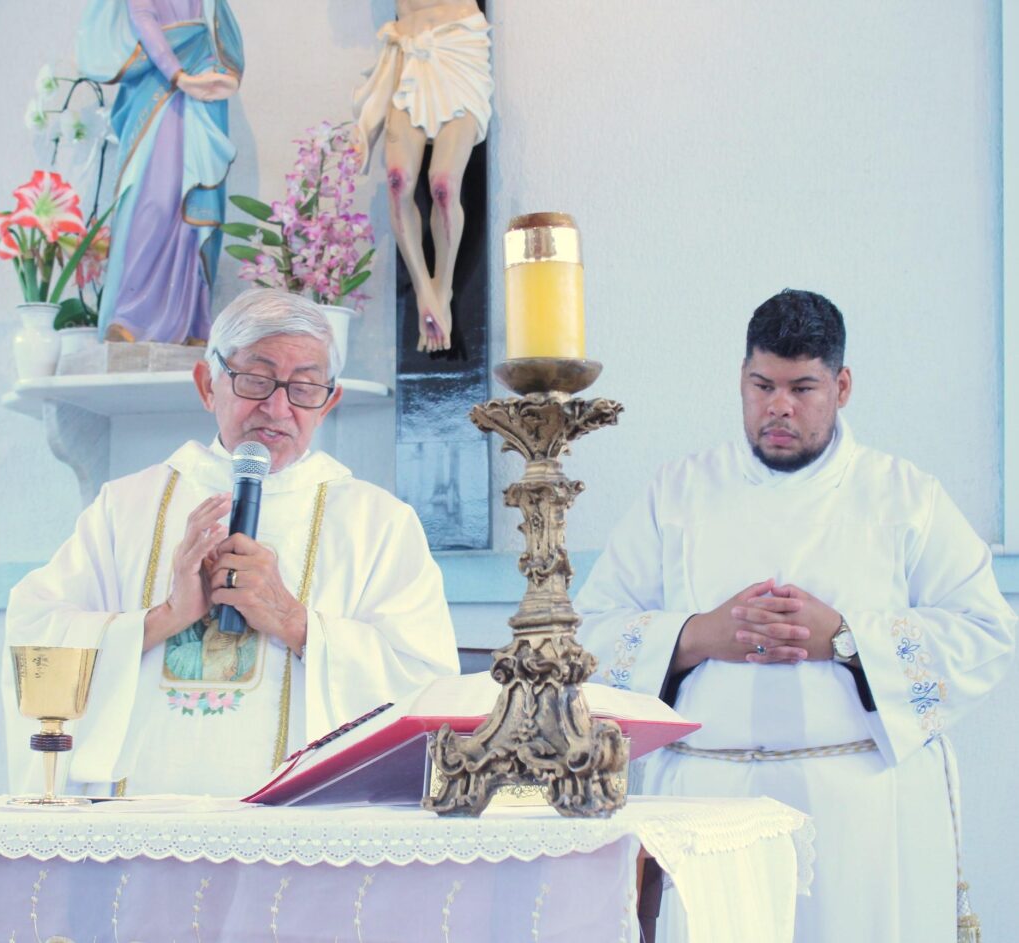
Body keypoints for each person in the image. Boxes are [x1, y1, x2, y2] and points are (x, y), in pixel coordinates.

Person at [576, 289, 1016, 941]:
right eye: (762, 385)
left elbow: (983, 634)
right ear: (741, 379)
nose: (778, 406)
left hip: (861, 818)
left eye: (802, 387)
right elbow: (585, 633)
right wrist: (697, 636)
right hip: (710, 809)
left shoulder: (903, 496)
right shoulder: (678, 493)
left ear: (841, 385)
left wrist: (846, 638)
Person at [3, 289, 460, 797]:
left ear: (328, 403)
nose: (278, 406)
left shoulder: (379, 523)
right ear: (207, 384)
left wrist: (294, 622)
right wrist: (164, 618)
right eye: (256, 380)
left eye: (304, 387)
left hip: (303, 840)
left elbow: (427, 687)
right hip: (137, 827)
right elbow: (33, 633)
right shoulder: (125, 507)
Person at [76, 0, 243, 344]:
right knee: (153, 202)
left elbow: (217, 30)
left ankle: (194, 318)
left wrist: (216, 74)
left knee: (195, 209)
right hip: (159, 89)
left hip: (200, 97)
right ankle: (131, 316)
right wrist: (178, 76)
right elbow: (143, 18)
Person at [352, 0, 494, 353]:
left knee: (443, 185)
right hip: (408, 45)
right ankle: (424, 293)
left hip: (457, 42)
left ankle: (442, 288)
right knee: (398, 180)